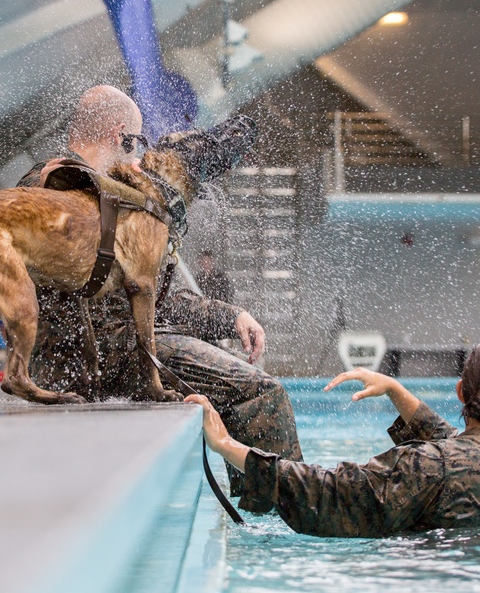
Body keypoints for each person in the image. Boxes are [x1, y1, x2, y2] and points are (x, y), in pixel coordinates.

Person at [17, 85, 303, 493]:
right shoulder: (78, 188)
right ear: (119, 136)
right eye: (135, 144)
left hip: (70, 358)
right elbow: (124, 303)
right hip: (104, 357)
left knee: (227, 368)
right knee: (260, 393)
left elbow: (148, 298)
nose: (137, 158)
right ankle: (283, 510)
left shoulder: (48, 180)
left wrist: (229, 316)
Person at [186, 341, 480, 537]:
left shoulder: (426, 466)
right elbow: (463, 450)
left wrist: (226, 445)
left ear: (460, 392)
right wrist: (394, 390)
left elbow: (328, 492)